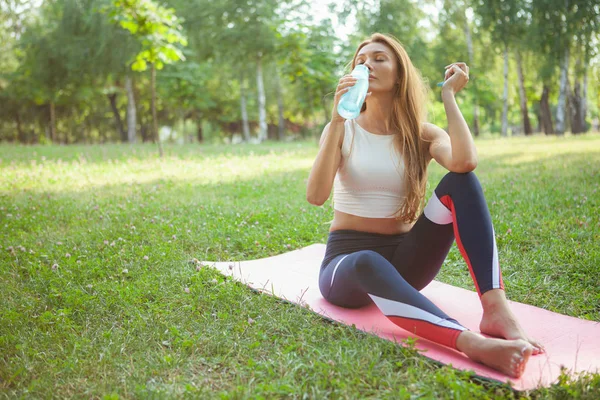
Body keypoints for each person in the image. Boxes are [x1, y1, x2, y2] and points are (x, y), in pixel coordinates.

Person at [306, 33, 544, 379]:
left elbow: (465, 163)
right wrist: (339, 120)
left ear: (399, 74)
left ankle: (496, 310)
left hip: (407, 260)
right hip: (347, 265)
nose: (367, 65)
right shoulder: (341, 129)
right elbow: (315, 196)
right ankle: (469, 343)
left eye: (378, 59)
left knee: (461, 182)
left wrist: (449, 95)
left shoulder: (422, 133)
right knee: (367, 261)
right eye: (361, 61)